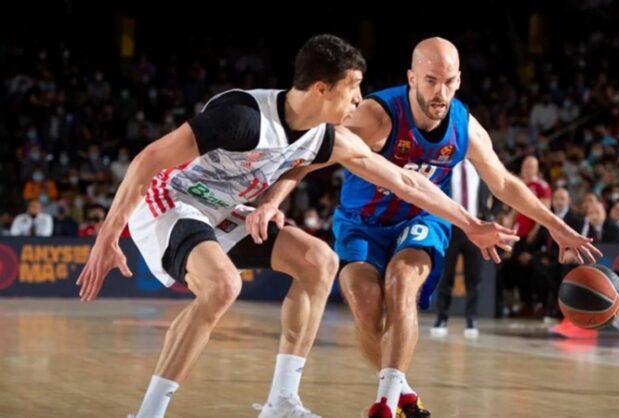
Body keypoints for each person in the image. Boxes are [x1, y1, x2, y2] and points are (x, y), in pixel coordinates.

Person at [76, 34, 517, 418]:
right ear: (322, 88)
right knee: (223, 286)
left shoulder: (325, 135)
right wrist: (108, 236)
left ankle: (281, 401)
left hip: (223, 207)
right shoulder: (243, 117)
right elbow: (148, 161)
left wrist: (470, 223)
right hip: (170, 198)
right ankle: (149, 413)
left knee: (318, 260)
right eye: (353, 88)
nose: (359, 100)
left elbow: (405, 181)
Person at [333, 37, 600, 418]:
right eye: (430, 81)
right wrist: (272, 201)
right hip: (362, 221)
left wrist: (555, 226)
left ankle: (385, 404)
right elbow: (313, 153)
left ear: (459, 80)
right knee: (365, 304)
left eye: (449, 81)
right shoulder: (376, 116)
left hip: (422, 217)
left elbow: (503, 183)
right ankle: (402, 391)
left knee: (402, 283)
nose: (440, 92)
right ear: (412, 78)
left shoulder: (465, 128)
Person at [431, 159, 500, 338]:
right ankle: (441, 318)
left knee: (474, 277)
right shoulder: (447, 167)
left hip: (475, 228)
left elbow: (498, 192)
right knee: (446, 275)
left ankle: (471, 320)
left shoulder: (481, 169)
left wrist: (491, 215)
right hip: (450, 228)